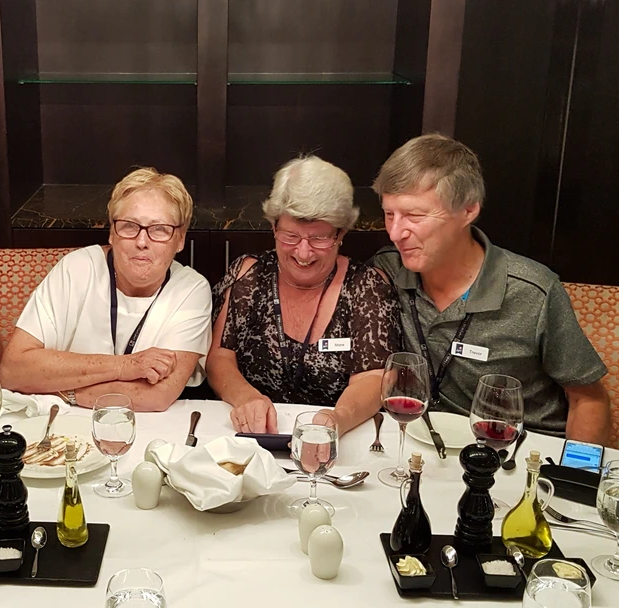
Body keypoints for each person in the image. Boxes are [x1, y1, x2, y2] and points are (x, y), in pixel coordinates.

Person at [371, 133, 610, 441]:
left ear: (468, 211)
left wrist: (576, 469)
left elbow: (588, 400)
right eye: (389, 214)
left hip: (518, 446)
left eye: (414, 216)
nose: (395, 233)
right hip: (423, 442)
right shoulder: (387, 270)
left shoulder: (532, 291)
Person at [208, 156, 401, 434]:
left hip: (334, 435)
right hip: (253, 435)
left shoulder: (366, 286)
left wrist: (338, 419)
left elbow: (373, 378)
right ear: (274, 227)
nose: (303, 252)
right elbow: (220, 358)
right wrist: (246, 398)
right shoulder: (249, 276)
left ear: (340, 234)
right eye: (290, 235)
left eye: (319, 238)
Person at [0, 168, 212, 411]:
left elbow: (156, 396)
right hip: (63, 422)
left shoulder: (191, 290)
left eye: (159, 229)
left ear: (180, 239)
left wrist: (61, 389)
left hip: (146, 424)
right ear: (112, 232)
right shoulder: (76, 268)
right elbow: (12, 370)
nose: (142, 241)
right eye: (129, 226)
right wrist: (126, 366)